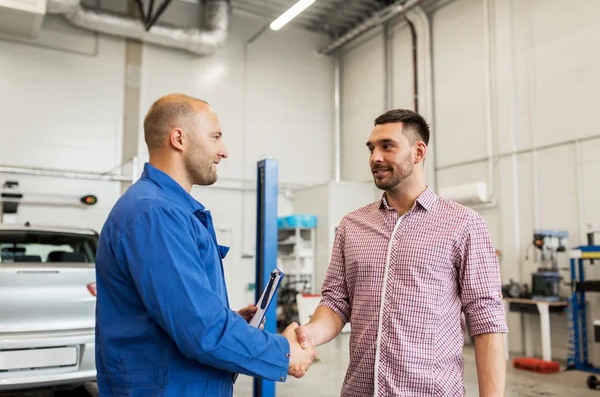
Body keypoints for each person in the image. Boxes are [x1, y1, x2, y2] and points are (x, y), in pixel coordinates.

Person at [94, 93, 315, 396]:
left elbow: (177, 313)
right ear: (179, 139)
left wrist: (232, 320)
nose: (223, 151)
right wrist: (285, 352)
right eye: (215, 137)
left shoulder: (168, 210)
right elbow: (201, 330)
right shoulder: (155, 215)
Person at [296, 109, 508, 396]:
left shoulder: (464, 224)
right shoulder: (352, 225)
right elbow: (336, 303)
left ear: (418, 151)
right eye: (371, 149)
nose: (375, 157)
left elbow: (486, 320)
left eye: (387, 146)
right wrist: (308, 333)